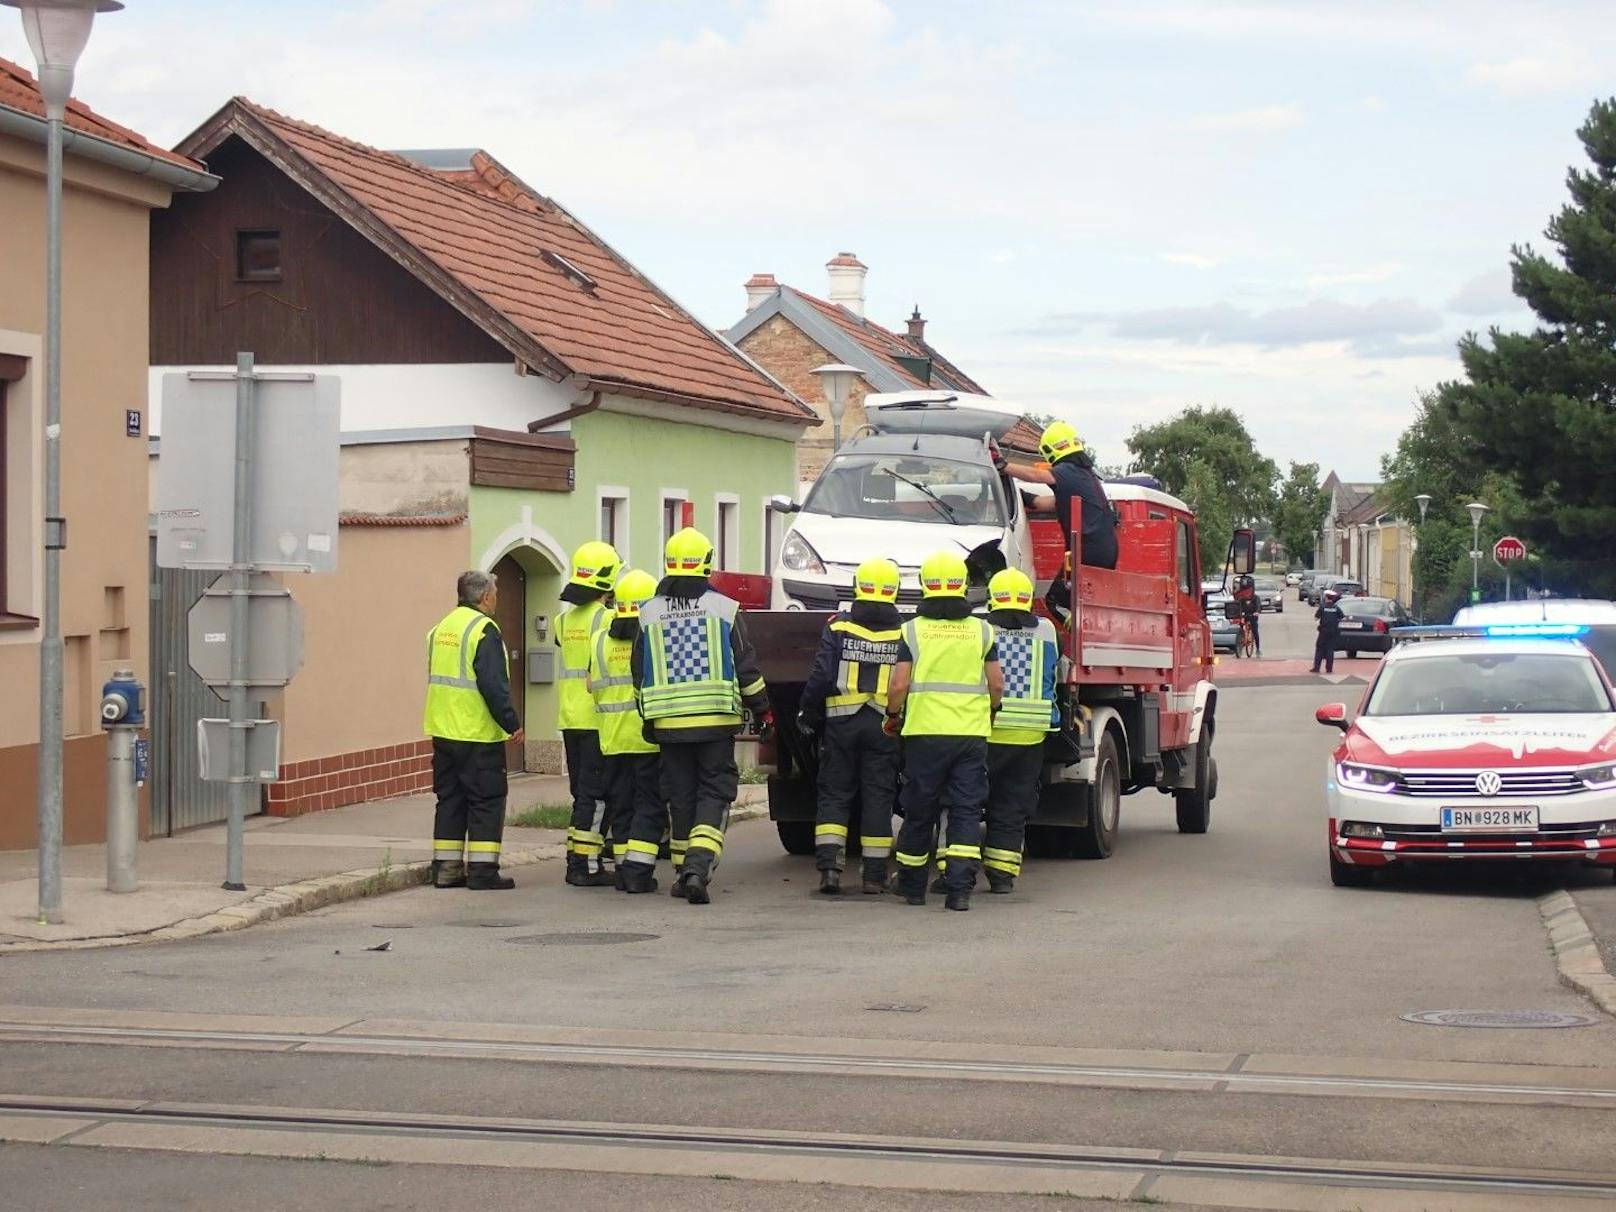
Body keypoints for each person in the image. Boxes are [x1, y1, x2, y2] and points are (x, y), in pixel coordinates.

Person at [631, 527, 772, 905]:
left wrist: (648, 717)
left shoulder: (649, 612)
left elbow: (638, 672)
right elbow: (746, 667)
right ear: (707, 564)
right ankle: (697, 867)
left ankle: (683, 871)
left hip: (668, 725)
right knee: (714, 792)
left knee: (680, 797)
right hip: (714, 722)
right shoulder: (724, 608)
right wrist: (764, 713)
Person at [885, 550, 1004, 913]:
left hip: (924, 734)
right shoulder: (982, 631)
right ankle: (959, 891)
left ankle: (912, 886)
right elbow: (997, 684)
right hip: (970, 736)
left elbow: (898, 684)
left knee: (920, 808)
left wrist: (893, 715)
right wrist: (991, 711)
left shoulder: (912, 630)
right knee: (966, 810)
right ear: (964, 587)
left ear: (924, 586)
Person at [798, 558, 904, 896]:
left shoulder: (839, 626)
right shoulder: (903, 631)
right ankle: (874, 876)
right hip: (884, 725)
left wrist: (807, 714)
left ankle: (830, 869)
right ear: (894, 590)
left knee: (834, 793)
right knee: (878, 795)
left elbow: (822, 675)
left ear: (857, 585)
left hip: (841, 724)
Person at [425, 570, 524, 891]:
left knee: (450, 799)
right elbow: (493, 685)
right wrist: (512, 723)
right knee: (486, 799)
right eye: (495, 592)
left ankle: (446, 868)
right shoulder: (484, 630)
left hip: (443, 731)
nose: (497, 597)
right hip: (477, 733)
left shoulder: (441, 628)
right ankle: (482, 871)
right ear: (484, 597)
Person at [979, 567, 1059, 894]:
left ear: (992, 597)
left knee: (968, 801)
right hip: (1030, 735)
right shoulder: (1047, 631)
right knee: (1012, 805)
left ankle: (958, 869)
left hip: (988, 730)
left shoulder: (982, 630)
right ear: (1028, 599)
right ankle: (1001, 875)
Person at [588, 569, 665, 894]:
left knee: (621, 807)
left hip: (612, 740)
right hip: (646, 740)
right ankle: (638, 873)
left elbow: (590, 685)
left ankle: (622, 869)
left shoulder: (599, 639)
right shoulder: (653, 638)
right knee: (648, 806)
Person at [556, 540, 622, 888]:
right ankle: (584, 866)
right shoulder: (608, 619)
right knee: (595, 796)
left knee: (582, 794)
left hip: (570, 720)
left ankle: (575, 855)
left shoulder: (562, 621)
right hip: (599, 720)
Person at [1025, 420, 1119, 571]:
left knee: (1059, 594)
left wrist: (1003, 465)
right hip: (1104, 552)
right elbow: (1046, 503)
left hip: (1088, 553)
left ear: (1049, 450)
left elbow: (1036, 475)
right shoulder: (1084, 476)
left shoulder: (1069, 469)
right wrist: (1023, 496)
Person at [1312, 588, 1344, 674]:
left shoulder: (1322, 607)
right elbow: (1342, 617)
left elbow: (1316, 618)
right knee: (1330, 650)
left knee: (1319, 649)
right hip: (1333, 631)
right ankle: (1329, 669)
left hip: (1323, 631)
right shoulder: (1336, 608)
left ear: (1326, 597)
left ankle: (1316, 668)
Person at [1233, 574, 1262, 657]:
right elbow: (1240, 607)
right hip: (1245, 615)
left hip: (1253, 615)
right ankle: (1240, 642)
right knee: (1240, 626)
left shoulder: (1256, 598)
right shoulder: (1242, 598)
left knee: (1255, 631)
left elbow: (1258, 606)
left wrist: (1257, 612)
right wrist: (1239, 614)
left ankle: (1258, 649)